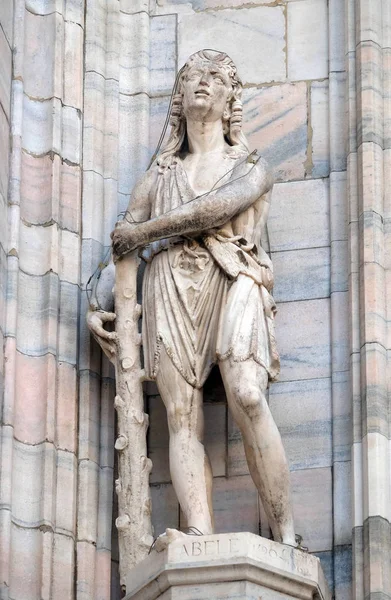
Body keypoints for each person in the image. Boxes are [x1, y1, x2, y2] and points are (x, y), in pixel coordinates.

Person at [88, 50, 297, 546]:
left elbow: (215, 210)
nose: (202, 83)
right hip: (168, 283)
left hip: (235, 275)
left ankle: (289, 535)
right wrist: (98, 307)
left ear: (230, 99)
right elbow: (118, 254)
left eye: (215, 77)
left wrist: (145, 231)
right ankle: (199, 530)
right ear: (179, 98)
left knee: (247, 391)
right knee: (181, 416)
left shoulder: (251, 165)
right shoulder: (157, 176)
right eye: (192, 77)